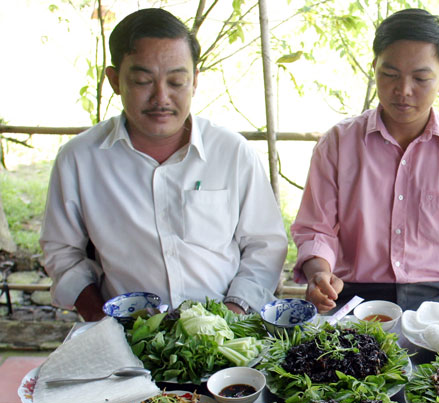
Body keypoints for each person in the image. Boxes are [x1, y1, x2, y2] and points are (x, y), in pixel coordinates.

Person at [40, 8, 287, 321]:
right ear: (115, 80)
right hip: (126, 333)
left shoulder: (231, 152)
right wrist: (104, 324)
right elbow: (62, 252)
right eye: (143, 81)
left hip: (228, 331)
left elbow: (265, 245)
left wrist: (230, 316)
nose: (161, 97)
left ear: (195, 81)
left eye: (176, 82)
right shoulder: (79, 160)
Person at [291, 8, 439, 313]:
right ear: (374, 69)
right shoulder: (337, 145)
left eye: (420, 78)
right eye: (389, 75)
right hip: (354, 301)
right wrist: (319, 274)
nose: (403, 91)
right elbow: (315, 229)